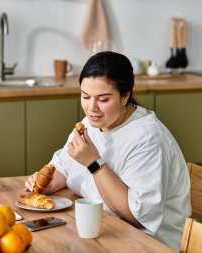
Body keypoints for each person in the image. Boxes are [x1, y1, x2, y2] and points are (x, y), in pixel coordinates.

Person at [25, 51, 191, 251]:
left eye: (103, 99)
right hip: (102, 230)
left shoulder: (147, 138)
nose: (92, 108)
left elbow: (138, 217)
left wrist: (94, 163)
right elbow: (65, 166)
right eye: (86, 96)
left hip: (148, 245)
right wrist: (50, 182)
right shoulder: (92, 123)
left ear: (125, 96)